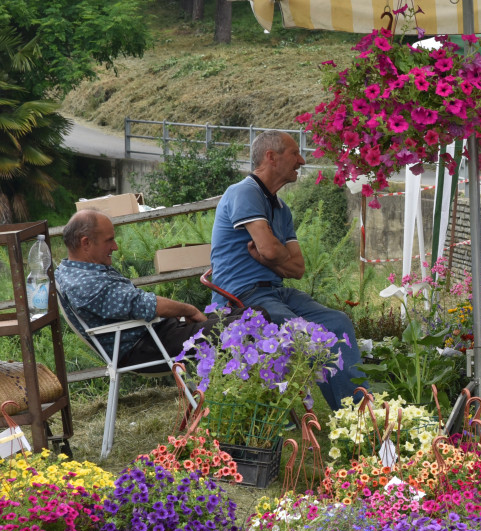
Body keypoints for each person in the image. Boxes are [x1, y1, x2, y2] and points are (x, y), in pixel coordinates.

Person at [209, 130, 366, 411]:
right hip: (241, 297)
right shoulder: (244, 192)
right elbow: (272, 251)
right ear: (271, 157)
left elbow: (297, 268)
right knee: (305, 333)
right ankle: (350, 415)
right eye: (295, 153)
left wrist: (268, 258)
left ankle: (357, 412)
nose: (302, 160)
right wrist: (271, 254)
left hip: (277, 293)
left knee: (338, 322)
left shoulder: (281, 208)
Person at [55, 209, 248, 372]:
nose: (115, 246)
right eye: (109, 240)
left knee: (249, 314)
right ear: (85, 243)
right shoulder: (85, 284)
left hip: (156, 332)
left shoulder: (73, 270)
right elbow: (147, 304)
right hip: (147, 344)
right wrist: (190, 310)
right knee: (251, 322)